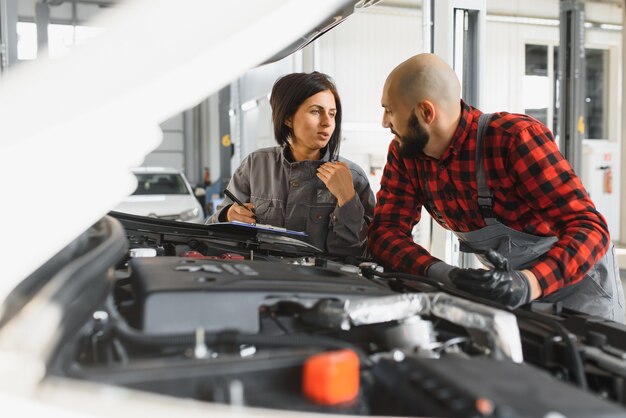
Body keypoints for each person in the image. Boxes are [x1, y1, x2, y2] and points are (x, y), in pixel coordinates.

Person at [368, 53, 624, 321]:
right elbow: (385, 232)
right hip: (510, 291)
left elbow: (589, 227)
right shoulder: (406, 155)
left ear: (425, 112)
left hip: (578, 286)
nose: (384, 122)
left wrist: (528, 284)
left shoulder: (514, 139)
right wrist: (444, 273)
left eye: (390, 110)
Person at [206, 71, 375, 257]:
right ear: (288, 118)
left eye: (332, 114)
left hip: (322, 284)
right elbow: (212, 232)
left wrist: (347, 199)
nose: (327, 122)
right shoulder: (255, 166)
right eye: (316, 111)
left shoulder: (352, 176)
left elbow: (357, 255)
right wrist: (228, 215)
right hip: (264, 281)